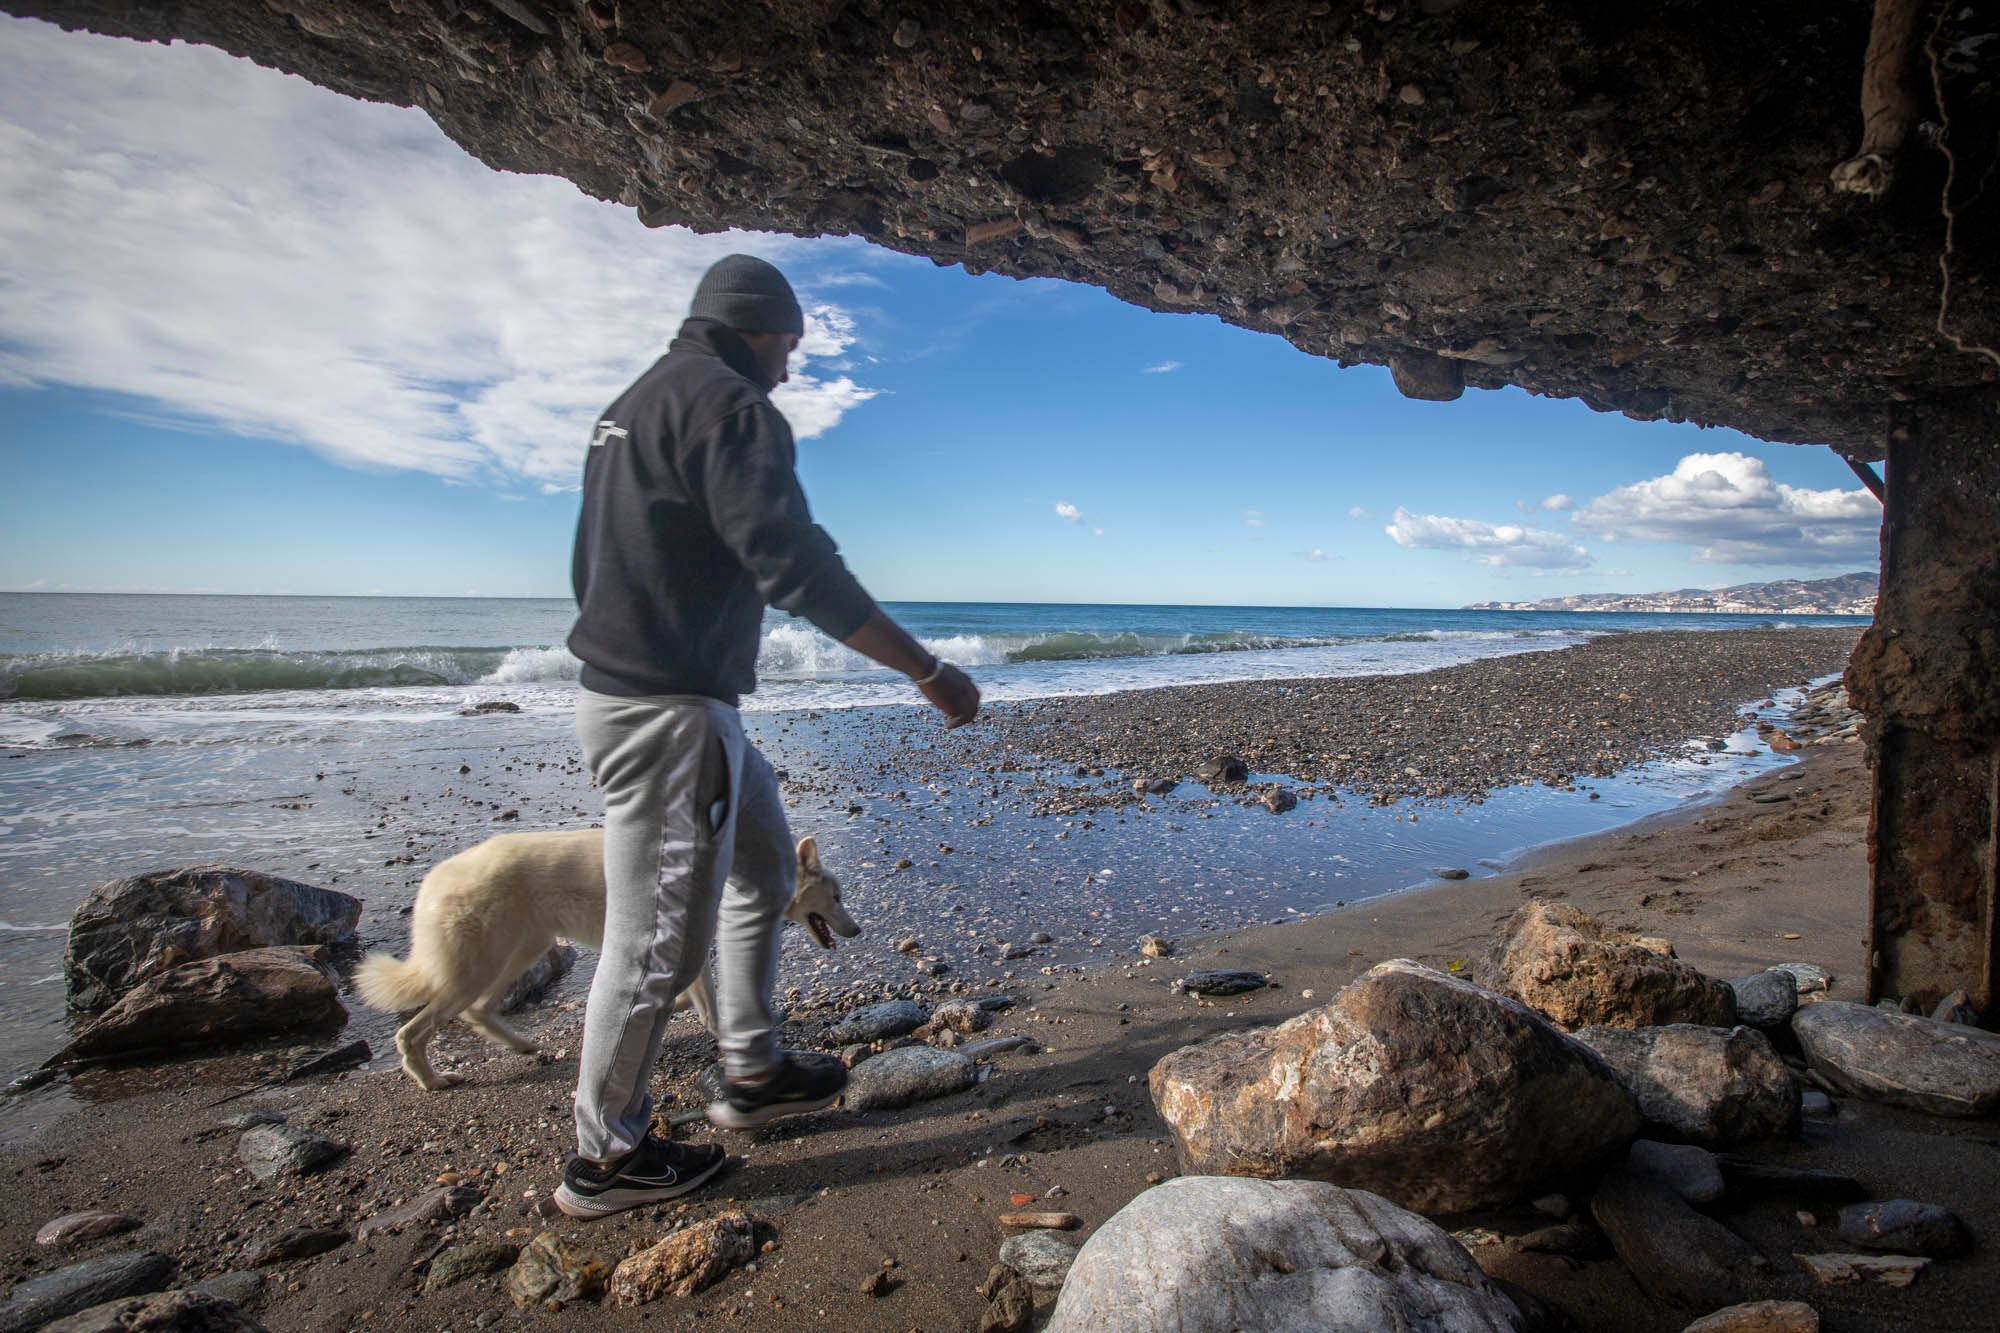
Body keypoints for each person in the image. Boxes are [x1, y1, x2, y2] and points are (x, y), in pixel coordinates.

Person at [554, 254, 980, 1219]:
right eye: (789, 343)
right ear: (756, 325)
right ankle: (605, 1155)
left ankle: (750, 1067)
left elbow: (592, 559)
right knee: (659, 940)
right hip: (669, 712)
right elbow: (797, 566)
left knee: (764, 868)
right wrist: (928, 670)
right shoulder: (730, 406)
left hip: (662, 700)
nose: (790, 364)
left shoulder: (635, 405)